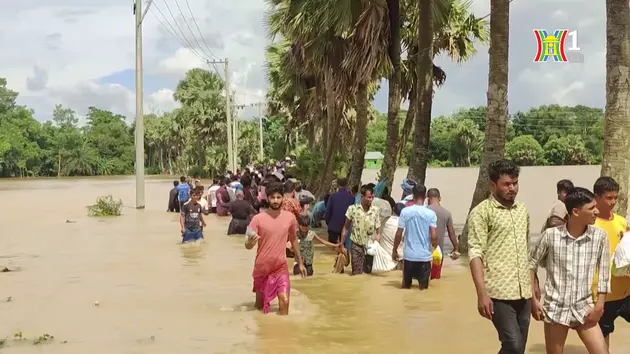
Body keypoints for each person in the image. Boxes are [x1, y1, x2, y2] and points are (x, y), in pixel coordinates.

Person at [529, 187, 610, 354]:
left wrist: (599, 306)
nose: (596, 211)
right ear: (575, 212)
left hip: (585, 308)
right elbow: (530, 265)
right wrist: (534, 300)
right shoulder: (550, 236)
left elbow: (604, 273)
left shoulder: (600, 237)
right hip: (556, 309)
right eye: (591, 208)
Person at [467, 159, 532, 354]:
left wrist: (534, 292)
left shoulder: (522, 211)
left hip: (524, 292)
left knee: (519, 349)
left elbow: (527, 252)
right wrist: (481, 294)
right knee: (512, 344)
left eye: (515, 183)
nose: (512, 188)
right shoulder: (481, 213)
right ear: (493, 185)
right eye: (506, 184)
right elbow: (475, 252)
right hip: (498, 293)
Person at [245, 182, 307, 315]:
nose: (275, 200)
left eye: (278, 197)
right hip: (262, 268)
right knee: (259, 307)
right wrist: (250, 242)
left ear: (283, 198)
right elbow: (247, 245)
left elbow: (294, 239)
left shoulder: (290, 218)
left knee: (284, 301)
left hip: (280, 267)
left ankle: (284, 333)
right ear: (267, 198)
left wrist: (300, 262)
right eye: (272, 197)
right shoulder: (257, 219)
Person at [591, 176, 630, 351]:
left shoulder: (622, 222)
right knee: (603, 336)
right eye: (608, 198)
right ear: (596, 197)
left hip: (626, 290)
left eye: (615, 197)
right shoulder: (590, 225)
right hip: (602, 294)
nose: (613, 202)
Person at [392, 184, 437, 289]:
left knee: (405, 287)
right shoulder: (430, 214)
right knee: (423, 289)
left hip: (409, 257)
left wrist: (394, 250)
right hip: (424, 258)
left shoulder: (405, 212)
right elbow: (434, 236)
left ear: (413, 196)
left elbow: (399, 233)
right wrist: (434, 246)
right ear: (425, 196)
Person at [340, 185, 382, 275]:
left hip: (370, 248)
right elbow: (346, 227)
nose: (371, 200)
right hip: (356, 246)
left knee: (367, 274)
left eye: (372, 197)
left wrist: (377, 240)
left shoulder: (375, 211)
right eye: (369, 197)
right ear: (362, 196)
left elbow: (378, 230)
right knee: (357, 274)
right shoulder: (352, 209)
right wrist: (342, 244)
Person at [427, 188, 460, 275]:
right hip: (438, 252)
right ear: (440, 198)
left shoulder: (424, 211)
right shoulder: (447, 213)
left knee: (423, 279)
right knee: (436, 276)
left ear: (428, 198)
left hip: (424, 252)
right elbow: (451, 232)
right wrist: (455, 247)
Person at [325, 178, 355, 244]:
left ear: (338, 185)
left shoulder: (333, 196)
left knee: (332, 249)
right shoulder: (351, 198)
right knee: (342, 248)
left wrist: (328, 222)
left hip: (333, 226)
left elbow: (328, 212)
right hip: (345, 227)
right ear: (347, 184)